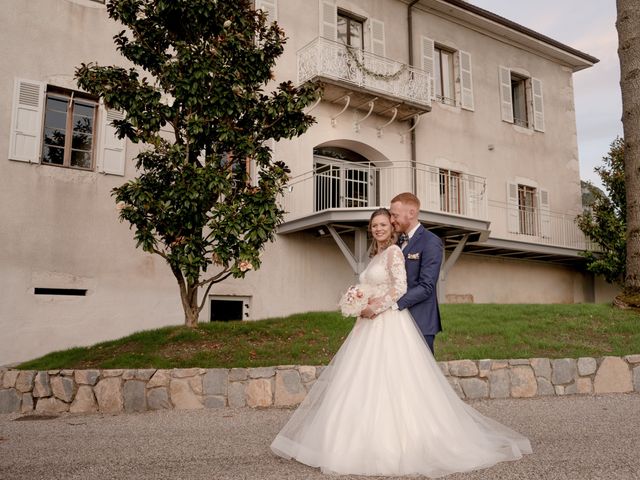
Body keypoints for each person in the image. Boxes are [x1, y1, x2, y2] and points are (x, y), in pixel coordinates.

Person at [270, 208, 532, 477]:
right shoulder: (375, 256)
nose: (378, 229)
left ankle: (401, 446)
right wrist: (358, 300)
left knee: (394, 380)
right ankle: (350, 443)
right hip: (367, 326)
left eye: (383, 224)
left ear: (391, 228)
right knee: (360, 381)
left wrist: (376, 307)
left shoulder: (395, 252)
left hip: (388, 322)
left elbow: (400, 288)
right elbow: (372, 287)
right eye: (374, 225)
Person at [361, 192, 442, 355]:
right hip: (393, 323)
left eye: (394, 215)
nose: (391, 219)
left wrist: (389, 304)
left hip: (420, 320)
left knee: (419, 375)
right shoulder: (395, 243)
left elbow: (426, 286)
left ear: (411, 213)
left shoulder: (431, 242)